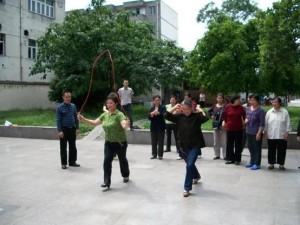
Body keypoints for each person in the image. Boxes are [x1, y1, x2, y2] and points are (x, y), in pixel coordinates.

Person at [78, 93, 130, 189]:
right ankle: (106, 182)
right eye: (107, 103)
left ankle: (126, 175)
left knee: (122, 160)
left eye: (111, 103)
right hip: (109, 143)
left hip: (120, 143)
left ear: (116, 104)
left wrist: (126, 125)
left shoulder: (119, 114)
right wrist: (83, 119)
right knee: (106, 161)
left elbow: (123, 124)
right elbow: (94, 123)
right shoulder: (105, 115)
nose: (109, 105)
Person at [165, 99, 209, 197]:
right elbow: (166, 116)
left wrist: (199, 108)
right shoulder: (179, 117)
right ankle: (196, 176)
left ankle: (187, 188)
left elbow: (206, 117)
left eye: (188, 109)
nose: (186, 111)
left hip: (195, 145)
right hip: (184, 146)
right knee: (190, 164)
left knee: (189, 165)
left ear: (191, 108)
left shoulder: (196, 116)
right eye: (183, 109)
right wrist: (175, 107)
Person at [264, 97, 291, 170]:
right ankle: (271, 164)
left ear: (279, 103)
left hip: (281, 135)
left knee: (282, 150)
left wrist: (287, 132)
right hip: (271, 134)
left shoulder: (284, 112)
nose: (274, 103)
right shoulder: (269, 112)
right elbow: (266, 123)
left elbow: (288, 123)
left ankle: (281, 164)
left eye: (276, 102)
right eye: (273, 102)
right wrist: (265, 132)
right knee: (271, 150)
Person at [56, 89, 80, 169]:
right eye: (66, 97)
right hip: (64, 129)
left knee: (73, 146)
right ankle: (63, 163)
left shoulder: (73, 106)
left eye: (69, 97)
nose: (68, 98)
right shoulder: (59, 108)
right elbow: (58, 120)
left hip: (72, 129)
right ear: (63, 97)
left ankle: (72, 162)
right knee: (63, 147)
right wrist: (60, 131)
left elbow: (76, 118)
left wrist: (77, 128)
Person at [223, 95, 246, 165]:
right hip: (230, 128)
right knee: (229, 144)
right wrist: (224, 122)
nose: (239, 101)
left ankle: (237, 159)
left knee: (238, 144)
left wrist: (244, 122)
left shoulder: (241, 108)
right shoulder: (227, 107)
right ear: (234, 100)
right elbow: (225, 116)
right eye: (238, 100)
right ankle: (230, 158)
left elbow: (244, 116)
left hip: (239, 129)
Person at [244, 95, 265, 170]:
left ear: (257, 101)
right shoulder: (248, 109)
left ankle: (257, 163)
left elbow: (262, 123)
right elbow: (247, 117)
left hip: (256, 132)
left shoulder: (260, 111)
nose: (252, 102)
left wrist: (259, 133)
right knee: (250, 147)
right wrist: (246, 121)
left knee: (257, 148)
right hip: (248, 131)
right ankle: (252, 162)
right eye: (251, 100)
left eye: (253, 100)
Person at [208, 93, 227, 160]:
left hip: (223, 125)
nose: (219, 99)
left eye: (220, 98)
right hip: (216, 125)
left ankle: (225, 155)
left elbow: (228, 114)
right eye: (218, 98)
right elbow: (209, 111)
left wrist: (225, 120)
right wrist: (211, 116)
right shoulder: (214, 106)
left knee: (224, 141)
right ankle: (217, 155)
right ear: (216, 98)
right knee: (216, 141)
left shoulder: (225, 106)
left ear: (223, 99)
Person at [148, 95, 166, 160]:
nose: (157, 101)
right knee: (153, 141)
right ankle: (154, 154)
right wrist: (151, 114)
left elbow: (164, 115)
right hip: (153, 127)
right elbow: (149, 117)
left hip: (161, 127)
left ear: (160, 101)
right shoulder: (151, 108)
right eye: (156, 100)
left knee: (161, 141)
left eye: (158, 100)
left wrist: (159, 113)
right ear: (153, 101)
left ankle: (160, 155)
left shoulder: (163, 107)